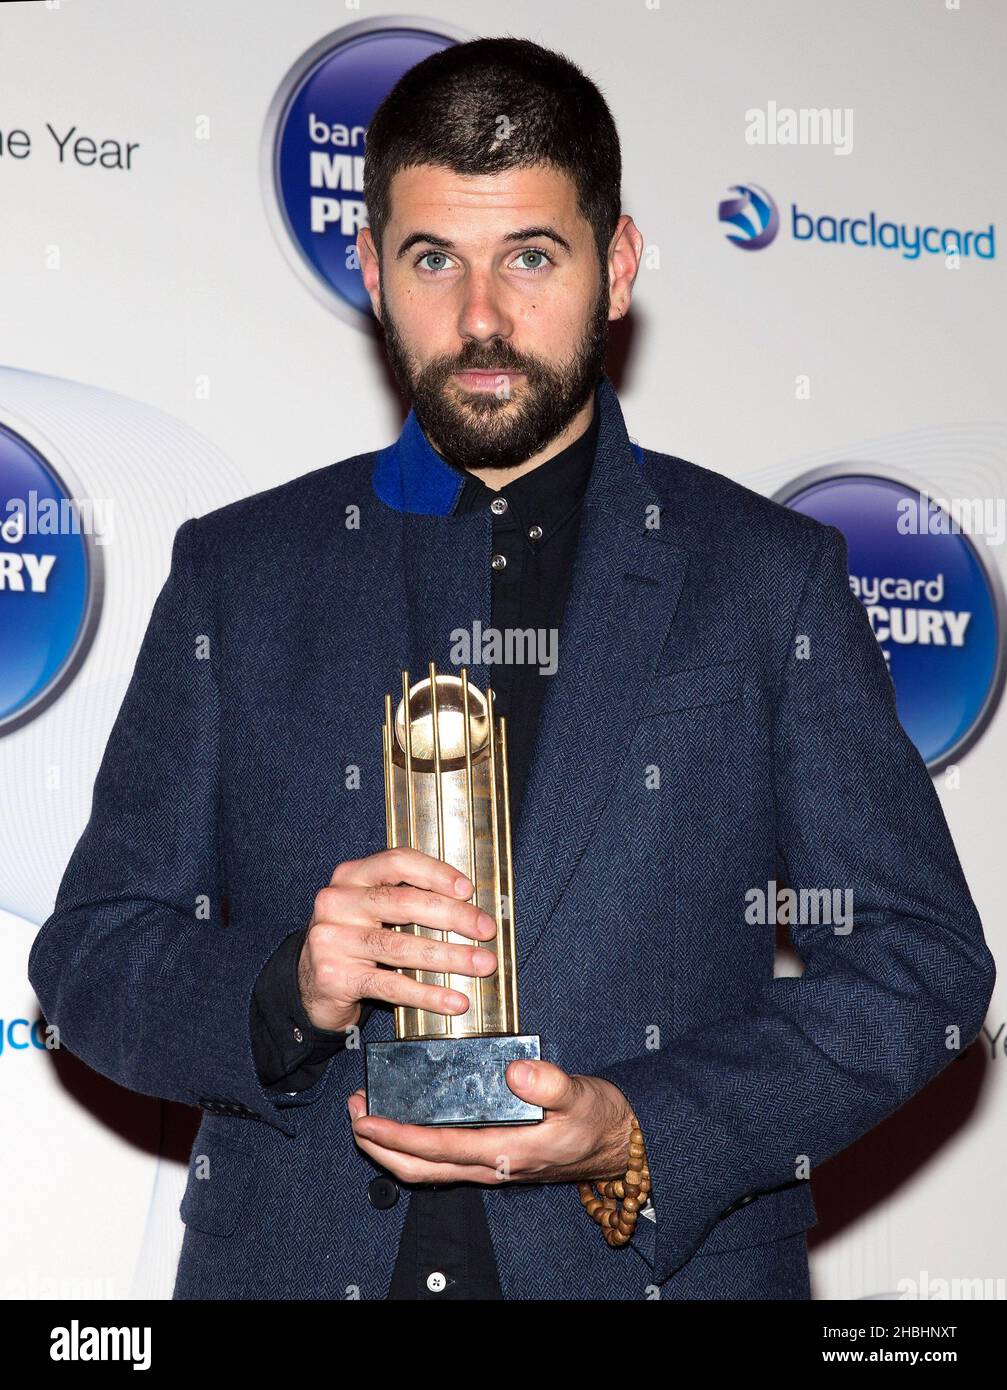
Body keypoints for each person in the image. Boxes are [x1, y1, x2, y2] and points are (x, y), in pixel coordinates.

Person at [29, 37, 995, 1302]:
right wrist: (288, 990)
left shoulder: (769, 581)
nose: (481, 318)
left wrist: (637, 1126)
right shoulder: (239, 573)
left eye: (530, 256)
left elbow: (921, 964)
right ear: (371, 270)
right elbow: (92, 959)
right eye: (434, 259)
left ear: (617, 267)